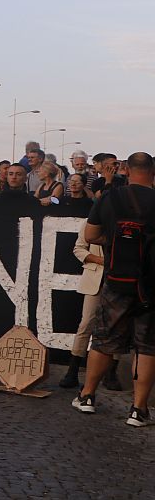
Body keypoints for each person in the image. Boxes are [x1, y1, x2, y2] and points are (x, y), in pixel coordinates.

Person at [74, 152, 155, 426]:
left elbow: (90, 236)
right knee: (147, 346)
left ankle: (87, 396)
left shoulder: (110, 198)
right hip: (151, 285)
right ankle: (138, 410)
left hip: (117, 279)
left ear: (127, 170)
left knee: (104, 339)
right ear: (152, 172)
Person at [59, 220, 114, 389]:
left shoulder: (124, 220)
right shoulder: (91, 222)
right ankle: (73, 371)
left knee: (117, 326)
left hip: (118, 280)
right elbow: (79, 248)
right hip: (94, 278)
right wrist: (99, 260)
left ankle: (111, 373)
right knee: (86, 324)